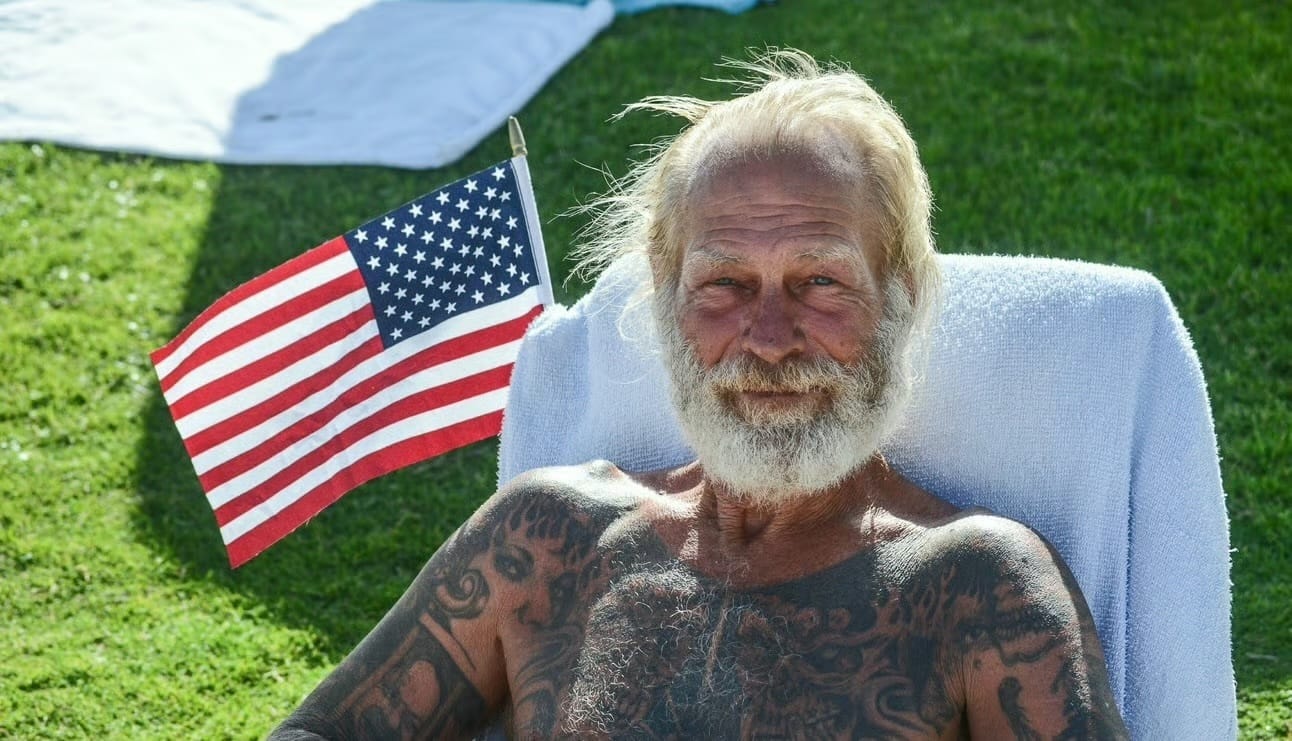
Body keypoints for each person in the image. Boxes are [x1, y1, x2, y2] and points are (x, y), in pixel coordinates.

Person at [269, 49, 1128, 740]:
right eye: (724, 283)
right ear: (665, 295)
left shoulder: (978, 587)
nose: (770, 338)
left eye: (820, 281)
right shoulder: (547, 539)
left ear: (898, 296)